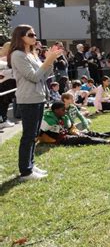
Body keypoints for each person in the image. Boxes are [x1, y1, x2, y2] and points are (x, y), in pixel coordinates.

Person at [8, 25, 62, 181]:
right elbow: (33, 77)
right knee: (28, 135)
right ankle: (25, 171)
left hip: (39, 97)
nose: (34, 37)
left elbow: (44, 76)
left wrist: (50, 61)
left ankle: (30, 165)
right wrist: (48, 61)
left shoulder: (32, 54)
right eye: (30, 34)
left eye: (35, 34)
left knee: (33, 135)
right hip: (28, 99)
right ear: (21, 37)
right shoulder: (17, 55)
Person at [37, 101, 110, 146]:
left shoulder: (63, 116)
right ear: (56, 110)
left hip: (65, 134)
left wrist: (76, 132)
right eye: (63, 109)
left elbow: (70, 127)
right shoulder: (47, 119)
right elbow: (37, 132)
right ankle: (109, 142)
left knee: (89, 133)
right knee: (84, 138)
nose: (65, 111)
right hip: (59, 139)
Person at [0, 41, 16, 128]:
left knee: (4, 103)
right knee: (3, 103)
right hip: (5, 84)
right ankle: (3, 119)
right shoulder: (4, 59)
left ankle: (3, 119)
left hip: (9, 83)